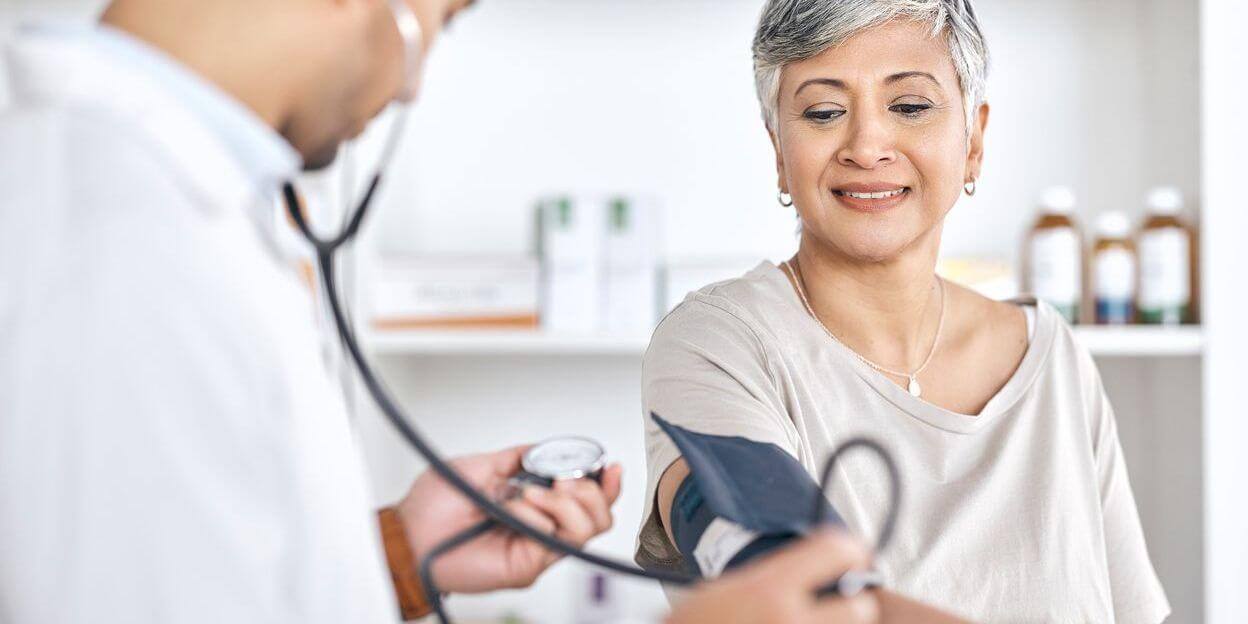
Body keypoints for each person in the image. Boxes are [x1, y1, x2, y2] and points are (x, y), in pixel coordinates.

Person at [0, 0, 881, 622]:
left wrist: (391, 557)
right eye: (442, 17)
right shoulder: (120, 231)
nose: (412, 83)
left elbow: (189, 576)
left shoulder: (154, 198)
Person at [636, 1, 1171, 622]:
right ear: (779, 151)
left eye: (911, 106)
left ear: (974, 140)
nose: (867, 146)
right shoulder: (717, 343)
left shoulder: (1053, 357)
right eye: (823, 112)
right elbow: (775, 575)